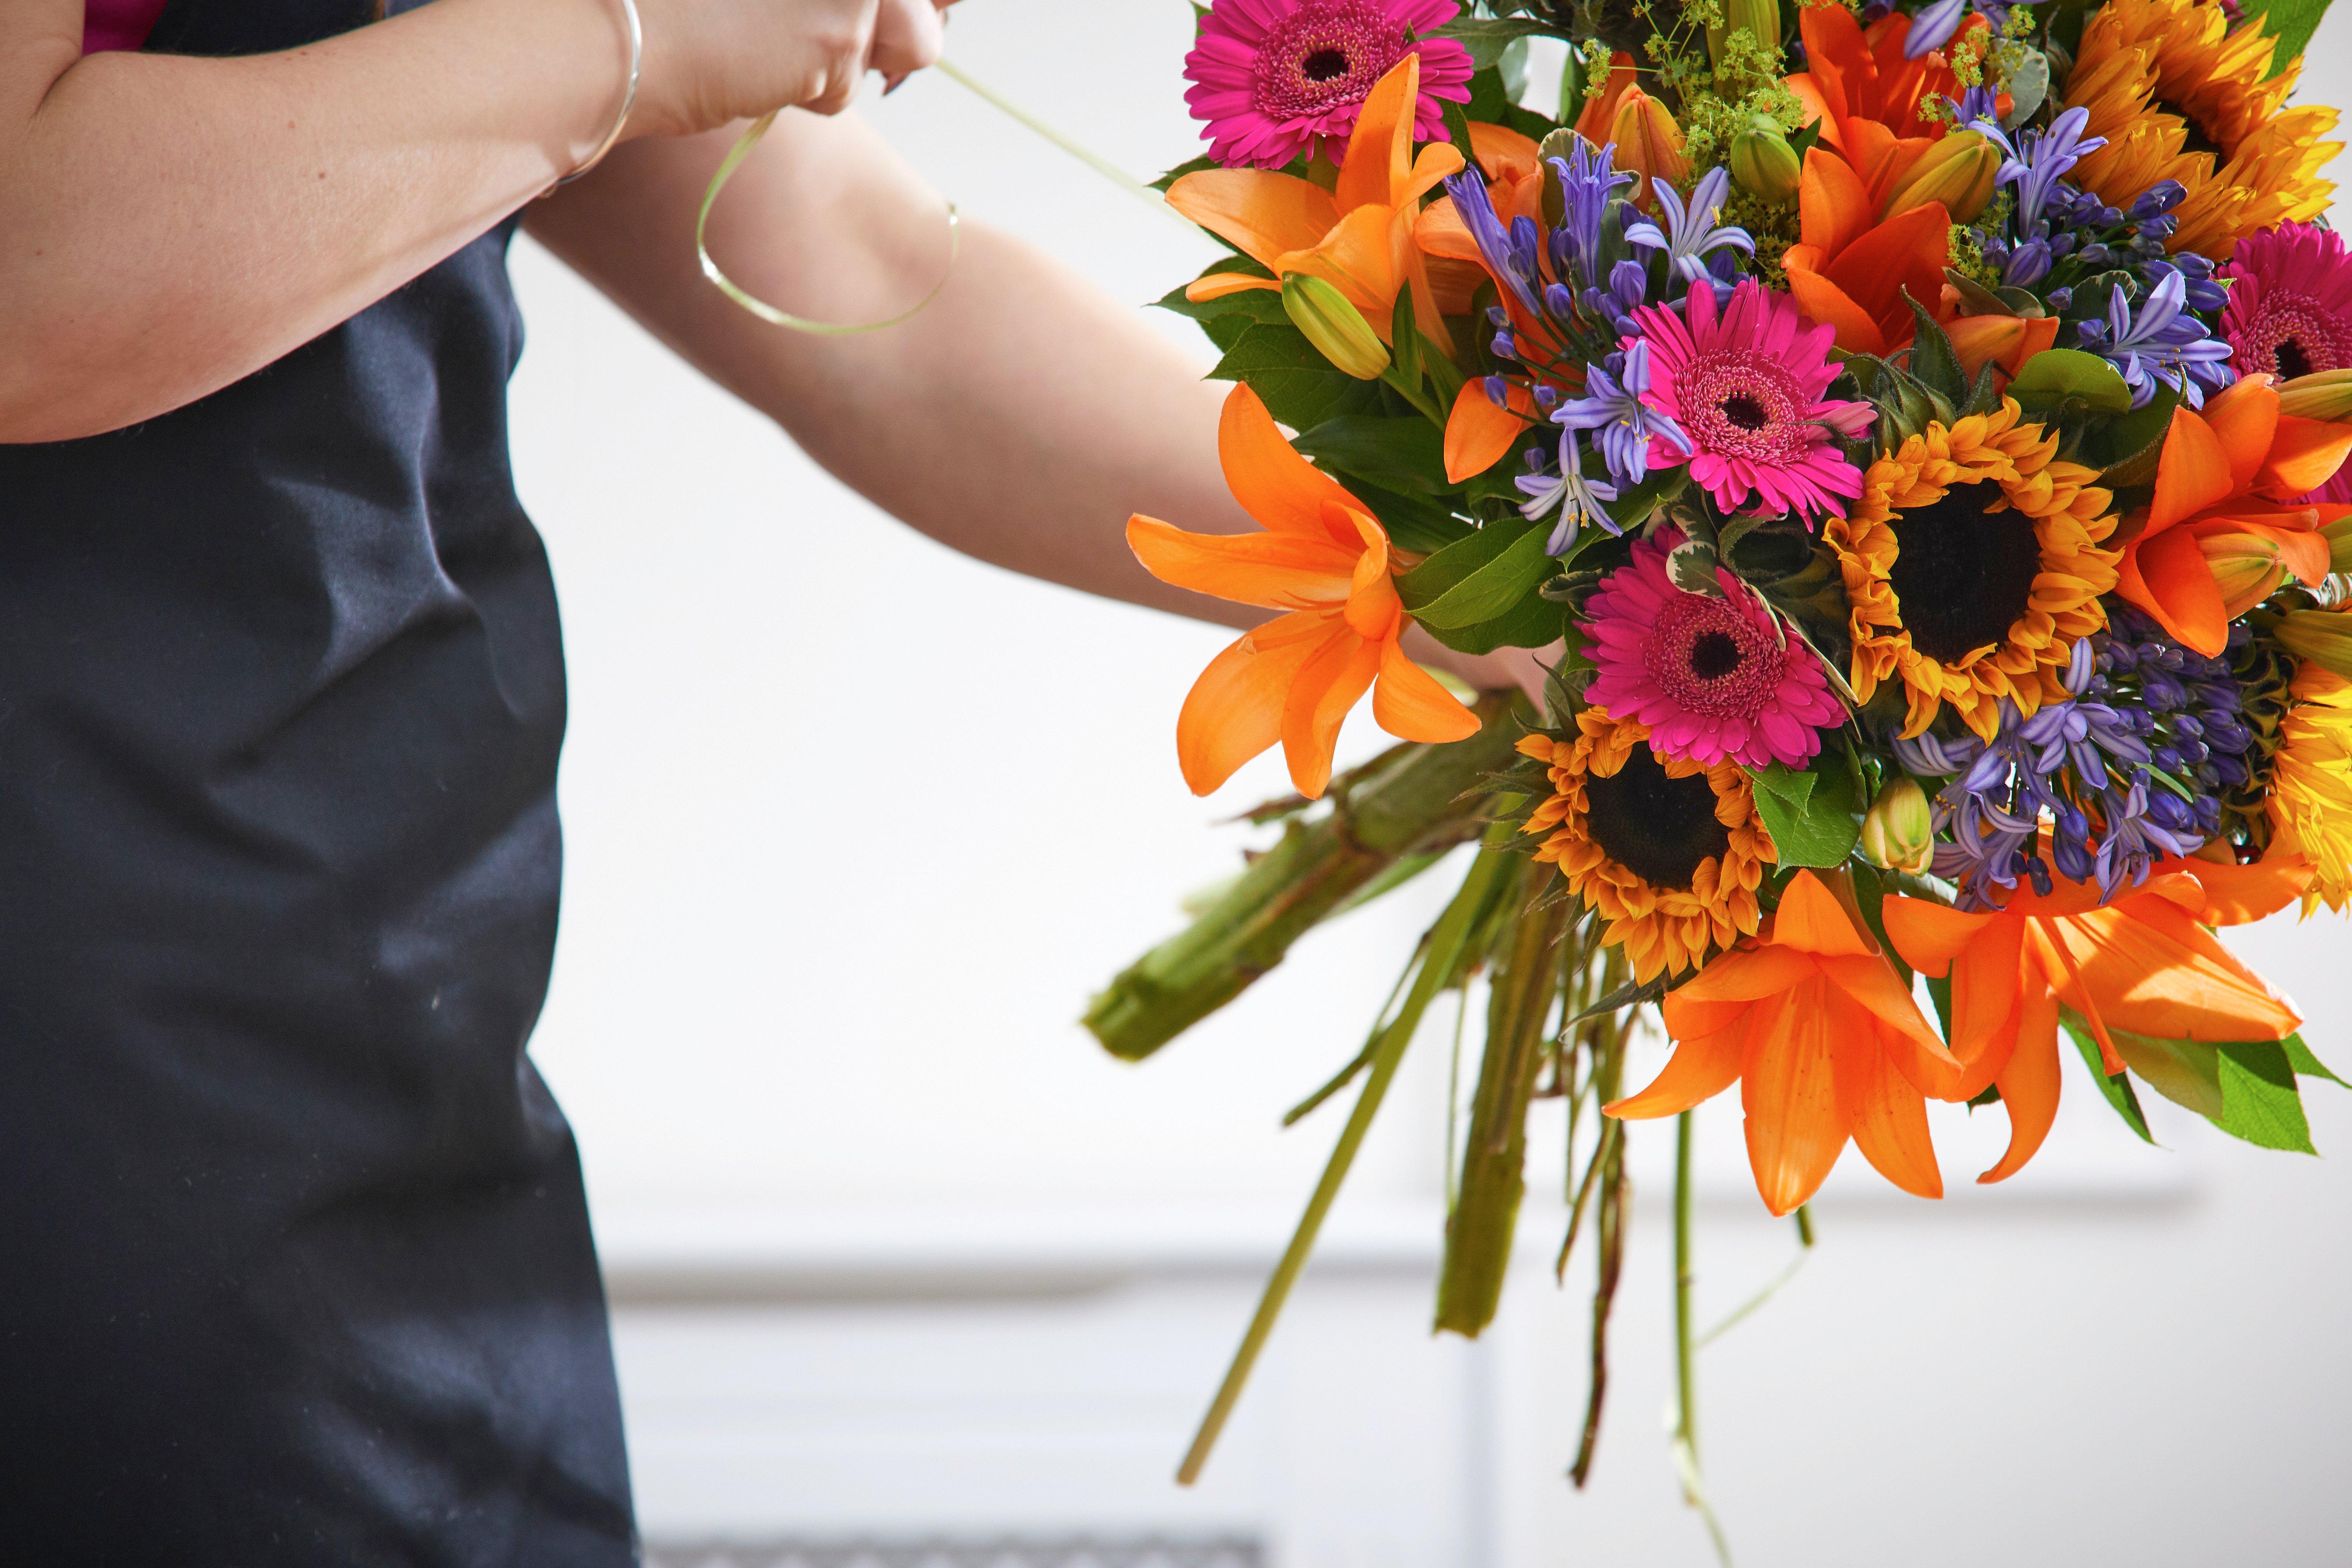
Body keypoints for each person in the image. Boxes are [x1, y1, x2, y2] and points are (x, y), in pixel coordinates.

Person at [0, 1, 1530, 1561]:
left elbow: (863, 279)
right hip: (75, 1057)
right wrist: (627, 31)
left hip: (384, 1024)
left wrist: (1496, 596)